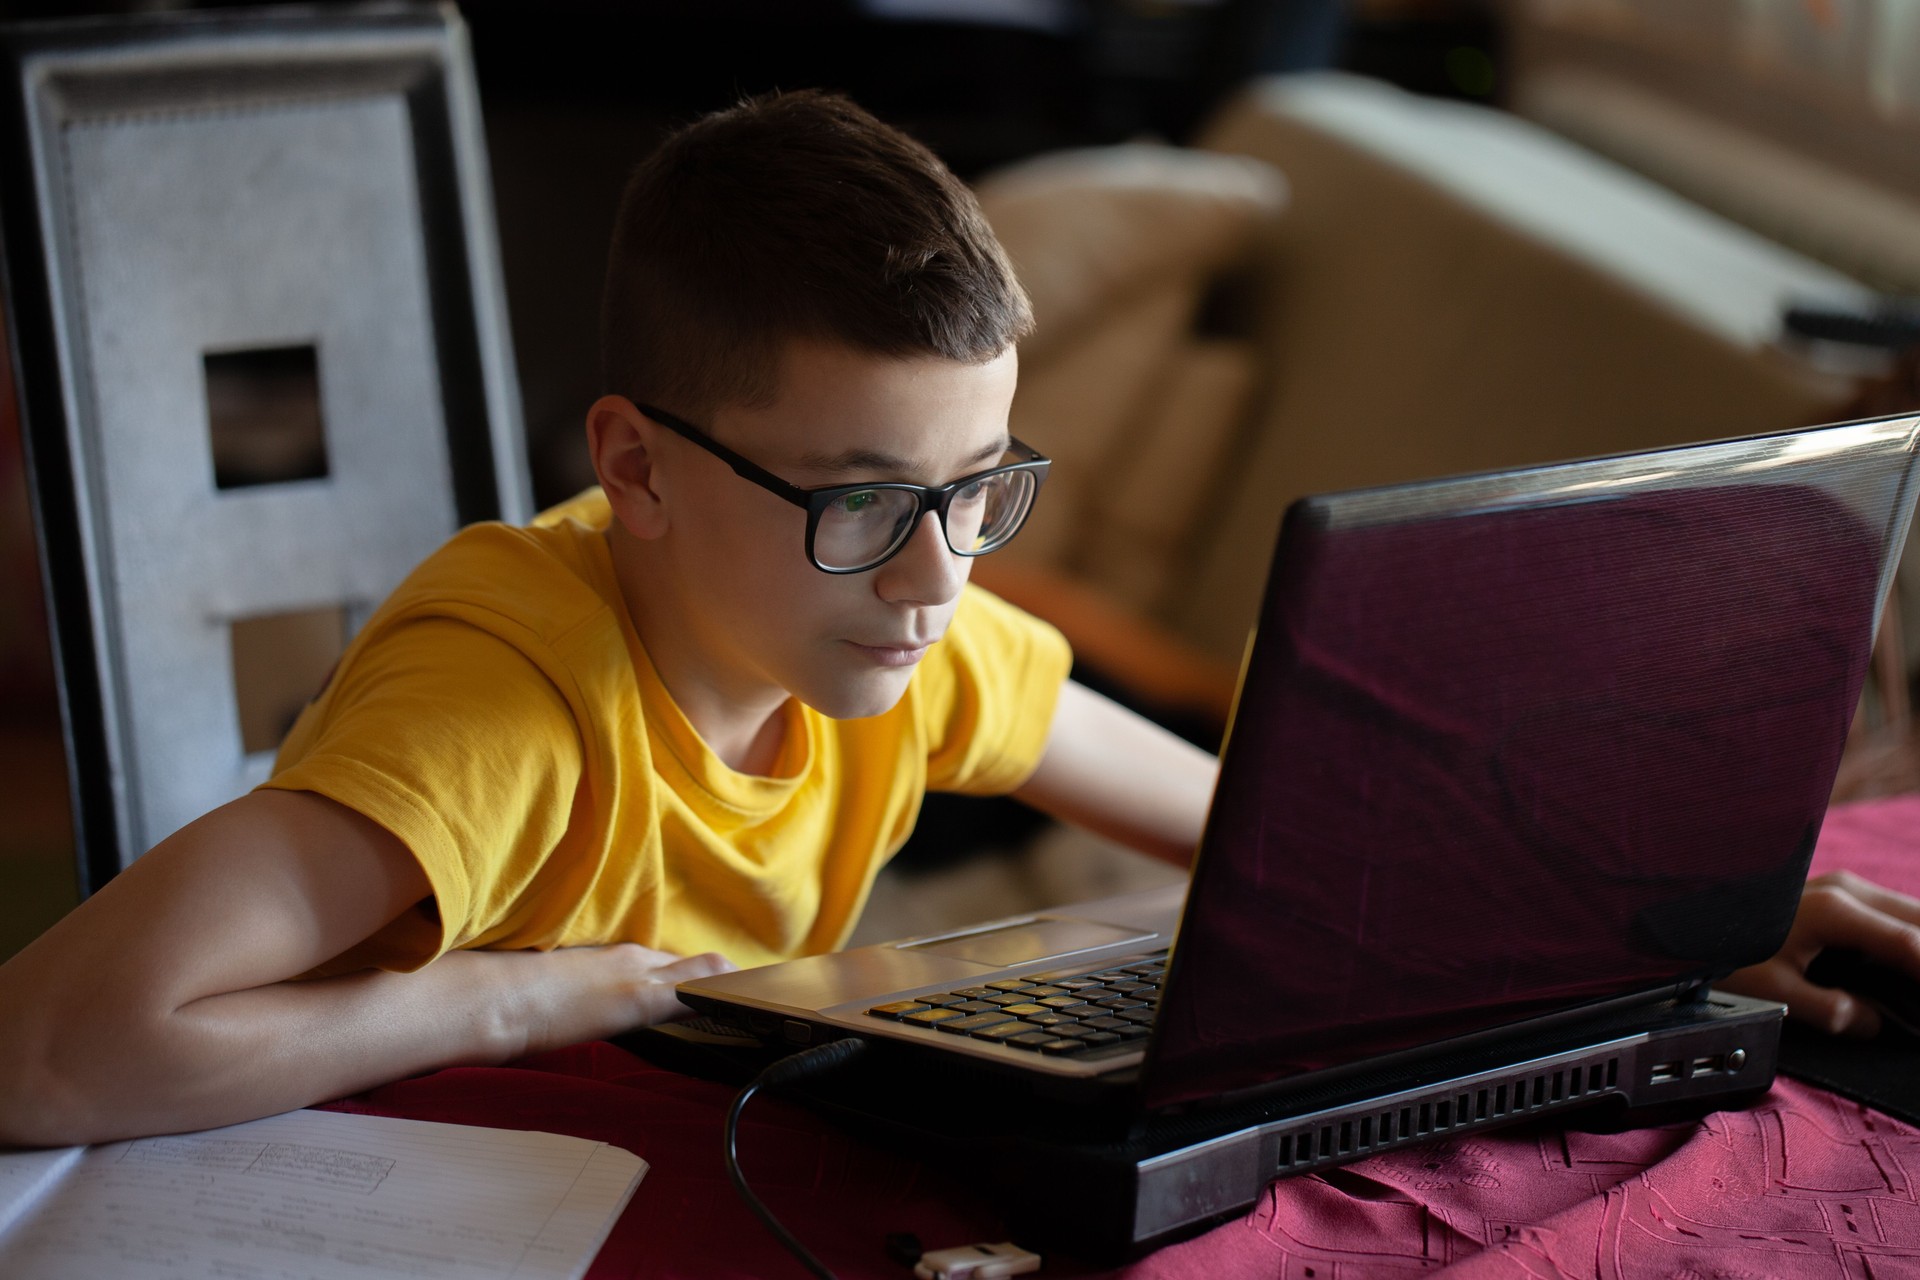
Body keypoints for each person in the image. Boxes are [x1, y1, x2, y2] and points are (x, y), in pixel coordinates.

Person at [0, 92, 1912, 1150]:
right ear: (636, 465)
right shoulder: (502, 710)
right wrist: (504, 989)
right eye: (859, 503)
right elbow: (51, 1053)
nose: (937, 581)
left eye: (981, 488)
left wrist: (1679, 906)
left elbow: (1269, 822)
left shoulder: (904, 637)